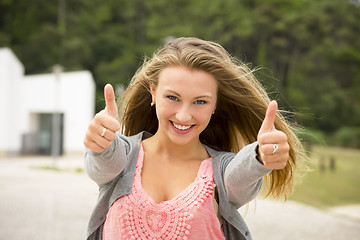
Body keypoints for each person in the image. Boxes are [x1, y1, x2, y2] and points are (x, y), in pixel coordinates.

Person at [83, 37, 302, 240]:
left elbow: (240, 176)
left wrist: (259, 156)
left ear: (215, 104)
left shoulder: (222, 174)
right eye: (172, 97)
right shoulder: (123, 156)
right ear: (153, 91)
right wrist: (102, 144)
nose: (184, 115)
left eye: (200, 102)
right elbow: (105, 162)